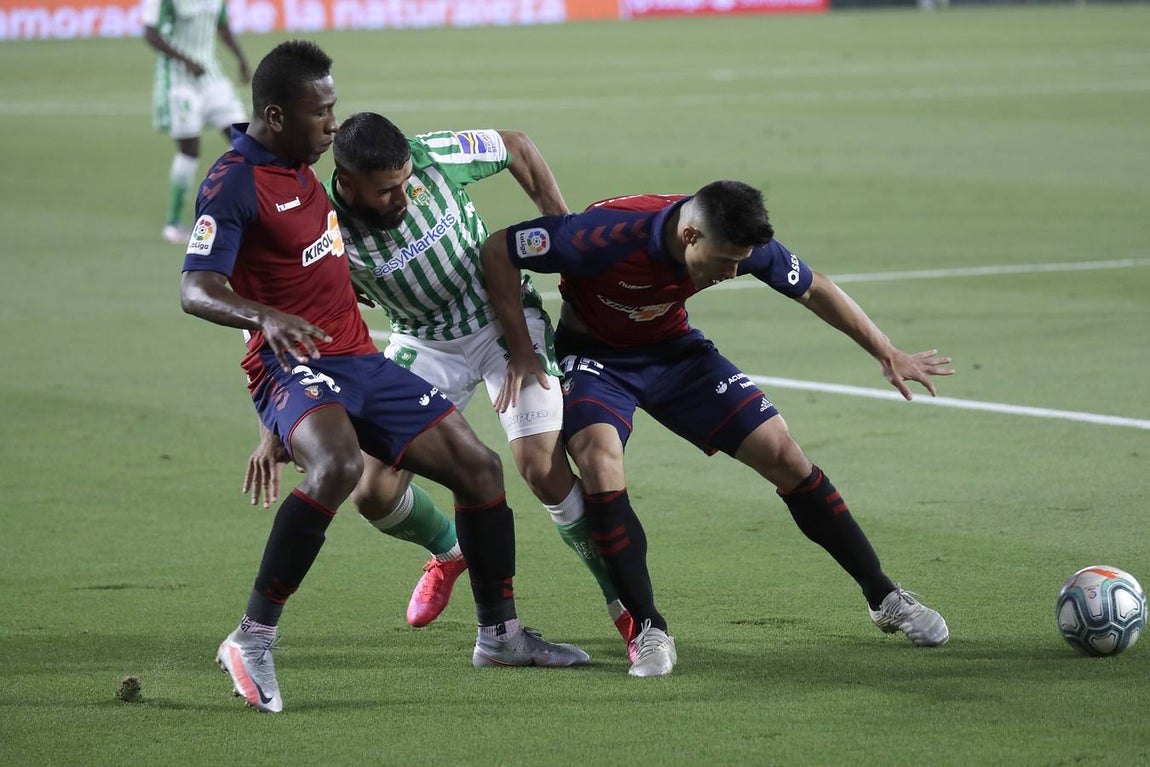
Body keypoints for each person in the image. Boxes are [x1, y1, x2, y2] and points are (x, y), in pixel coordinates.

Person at [179, 40, 589, 714]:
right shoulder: (233, 184)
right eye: (322, 113)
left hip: (359, 359)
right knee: (338, 466)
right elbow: (197, 287)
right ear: (277, 115)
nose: (333, 124)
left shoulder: (305, 172)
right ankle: (251, 637)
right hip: (295, 363)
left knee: (478, 468)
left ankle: (501, 634)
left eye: (334, 108)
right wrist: (264, 326)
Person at [480, 180, 953, 678]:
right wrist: (523, 348)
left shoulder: (731, 238)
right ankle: (647, 627)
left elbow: (815, 287)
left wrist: (887, 351)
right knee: (598, 458)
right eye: (727, 260)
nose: (734, 272)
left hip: (675, 353)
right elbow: (499, 248)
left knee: (785, 455)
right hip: (595, 359)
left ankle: (885, 596)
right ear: (689, 237)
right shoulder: (601, 235)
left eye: (742, 260)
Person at [244, 112, 634, 647]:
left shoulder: (432, 155)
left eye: (406, 184)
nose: (403, 199)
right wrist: (271, 428)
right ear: (349, 184)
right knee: (372, 492)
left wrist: (567, 235)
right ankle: (450, 551)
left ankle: (624, 603)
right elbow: (279, 312)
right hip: (421, 341)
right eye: (387, 192)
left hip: (502, 322)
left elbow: (516, 146)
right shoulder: (317, 220)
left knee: (540, 465)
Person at [143, 0, 251, 244]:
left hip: (212, 76)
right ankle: (173, 223)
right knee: (190, 151)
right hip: (179, 82)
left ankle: (228, 207)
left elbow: (222, 27)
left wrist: (241, 59)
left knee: (244, 141)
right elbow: (150, 33)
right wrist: (184, 60)